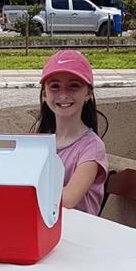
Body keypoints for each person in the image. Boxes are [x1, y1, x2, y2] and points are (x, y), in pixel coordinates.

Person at [35, 50, 108, 215]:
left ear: (88, 93)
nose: (63, 94)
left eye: (74, 86)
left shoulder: (93, 147)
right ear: (45, 94)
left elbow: (68, 199)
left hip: (79, 235)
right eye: (55, 86)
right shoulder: (41, 141)